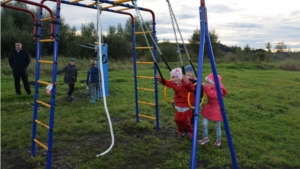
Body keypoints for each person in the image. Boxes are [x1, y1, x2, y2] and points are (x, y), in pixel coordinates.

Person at [156, 68, 195, 139]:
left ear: (180, 76)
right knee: (177, 119)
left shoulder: (185, 82)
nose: (175, 79)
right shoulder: (173, 83)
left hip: (187, 104)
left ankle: (190, 131)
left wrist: (187, 82)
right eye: (173, 77)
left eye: (177, 77)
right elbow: (167, 83)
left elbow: (192, 89)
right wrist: (160, 79)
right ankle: (180, 130)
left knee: (184, 120)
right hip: (179, 104)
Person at [198, 73, 227, 147]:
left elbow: (212, 95)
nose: (207, 84)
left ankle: (218, 140)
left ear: (214, 84)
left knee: (217, 126)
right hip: (209, 107)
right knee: (204, 123)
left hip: (217, 109)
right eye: (206, 82)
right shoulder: (211, 87)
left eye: (208, 82)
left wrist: (206, 87)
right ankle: (205, 137)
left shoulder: (219, 90)